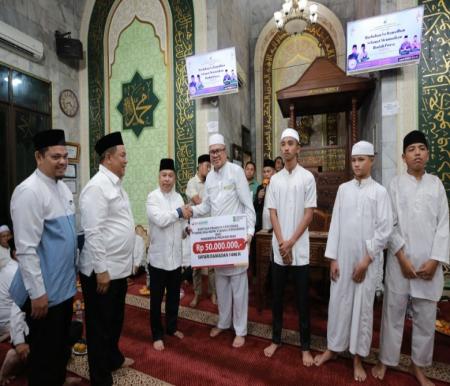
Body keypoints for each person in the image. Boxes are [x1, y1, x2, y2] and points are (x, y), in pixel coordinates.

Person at [372, 131, 449, 386]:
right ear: (404, 157)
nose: (417, 152)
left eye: (421, 148)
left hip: (429, 265)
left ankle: (419, 366)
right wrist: (401, 257)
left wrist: (436, 260)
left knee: (426, 319)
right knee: (392, 314)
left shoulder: (436, 185)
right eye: (412, 149)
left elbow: (444, 227)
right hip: (400, 263)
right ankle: (386, 360)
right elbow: (389, 224)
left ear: (427, 154)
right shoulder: (394, 185)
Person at [313, 140, 393, 382]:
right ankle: (333, 348)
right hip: (343, 259)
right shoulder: (344, 189)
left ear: (372, 160)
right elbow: (335, 224)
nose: (357, 164)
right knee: (338, 304)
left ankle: (358, 358)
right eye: (354, 160)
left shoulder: (380, 192)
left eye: (361, 159)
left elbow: (385, 230)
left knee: (362, 309)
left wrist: (366, 260)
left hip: (366, 263)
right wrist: (333, 258)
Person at [8, 129, 77, 386]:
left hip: (62, 289)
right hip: (43, 293)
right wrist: (37, 293)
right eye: (55, 156)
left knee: (59, 346)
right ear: (39, 157)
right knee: (43, 354)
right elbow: (25, 249)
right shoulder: (29, 192)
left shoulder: (62, 189)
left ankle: (57, 380)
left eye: (64, 156)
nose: (62, 162)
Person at [188, 133, 256, 348]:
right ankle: (224, 322)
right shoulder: (209, 178)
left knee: (238, 287)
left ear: (225, 151)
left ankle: (241, 330)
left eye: (218, 150)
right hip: (219, 243)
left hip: (235, 240)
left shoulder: (236, 172)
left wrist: (250, 233)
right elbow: (207, 207)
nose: (215, 155)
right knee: (222, 286)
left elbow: (248, 206)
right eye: (212, 152)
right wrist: (190, 211)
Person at [79, 132, 135, 386]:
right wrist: (101, 270)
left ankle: (112, 358)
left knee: (115, 320)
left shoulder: (116, 186)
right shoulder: (96, 188)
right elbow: (93, 232)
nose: (126, 160)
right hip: (102, 273)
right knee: (99, 327)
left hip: (118, 270)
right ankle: (100, 378)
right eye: (122, 155)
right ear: (109, 157)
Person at [263, 128, 316, 366]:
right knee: (277, 297)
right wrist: (282, 243)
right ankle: (276, 339)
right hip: (279, 247)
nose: (286, 147)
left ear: (298, 148)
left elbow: (309, 214)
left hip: (300, 249)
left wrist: (291, 242)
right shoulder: (274, 179)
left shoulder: (307, 177)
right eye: (283, 143)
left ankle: (305, 346)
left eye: (290, 143)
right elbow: (272, 213)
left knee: (302, 300)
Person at [147, 158, 188, 351]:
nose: (167, 179)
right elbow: (161, 220)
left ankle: (171, 328)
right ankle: (157, 334)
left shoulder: (179, 197)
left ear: (175, 177)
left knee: (173, 297)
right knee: (156, 300)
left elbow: (180, 225)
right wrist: (179, 213)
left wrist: (186, 230)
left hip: (175, 260)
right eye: (164, 175)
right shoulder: (152, 197)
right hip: (158, 259)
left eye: (170, 175)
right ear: (159, 176)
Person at [185, 154, 216, 308]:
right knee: (196, 265)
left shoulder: (211, 182)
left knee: (212, 264)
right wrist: (213, 204)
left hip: (210, 226)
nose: (209, 168)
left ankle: (213, 293)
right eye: (206, 165)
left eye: (210, 166)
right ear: (199, 166)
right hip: (197, 228)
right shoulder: (192, 182)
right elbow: (199, 202)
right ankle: (197, 293)